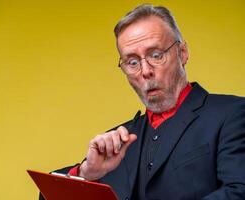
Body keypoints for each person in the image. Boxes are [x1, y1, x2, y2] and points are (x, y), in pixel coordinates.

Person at [40, 4, 245, 200]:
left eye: (156, 55)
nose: (145, 71)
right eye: (132, 62)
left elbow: (240, 191)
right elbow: (48, 193)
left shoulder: (232, 114)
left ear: (182, 53)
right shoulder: (116, 144)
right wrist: (87, 174)